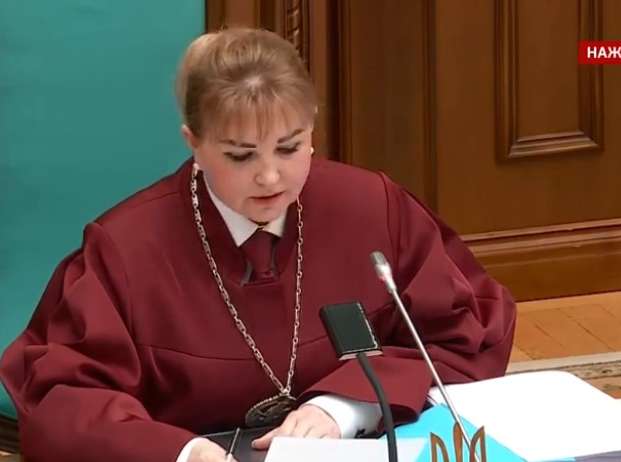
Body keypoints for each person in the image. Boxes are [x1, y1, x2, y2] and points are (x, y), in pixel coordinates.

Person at [0, 27, 516, 462]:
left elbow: (463, 336)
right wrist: (180, 454)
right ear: (193, 143)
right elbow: (63, 400)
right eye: (240, 155)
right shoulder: (126, 247)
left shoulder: (372, 207)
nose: (270, 177)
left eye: (289, 148)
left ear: (312, 129)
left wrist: (343, 407)